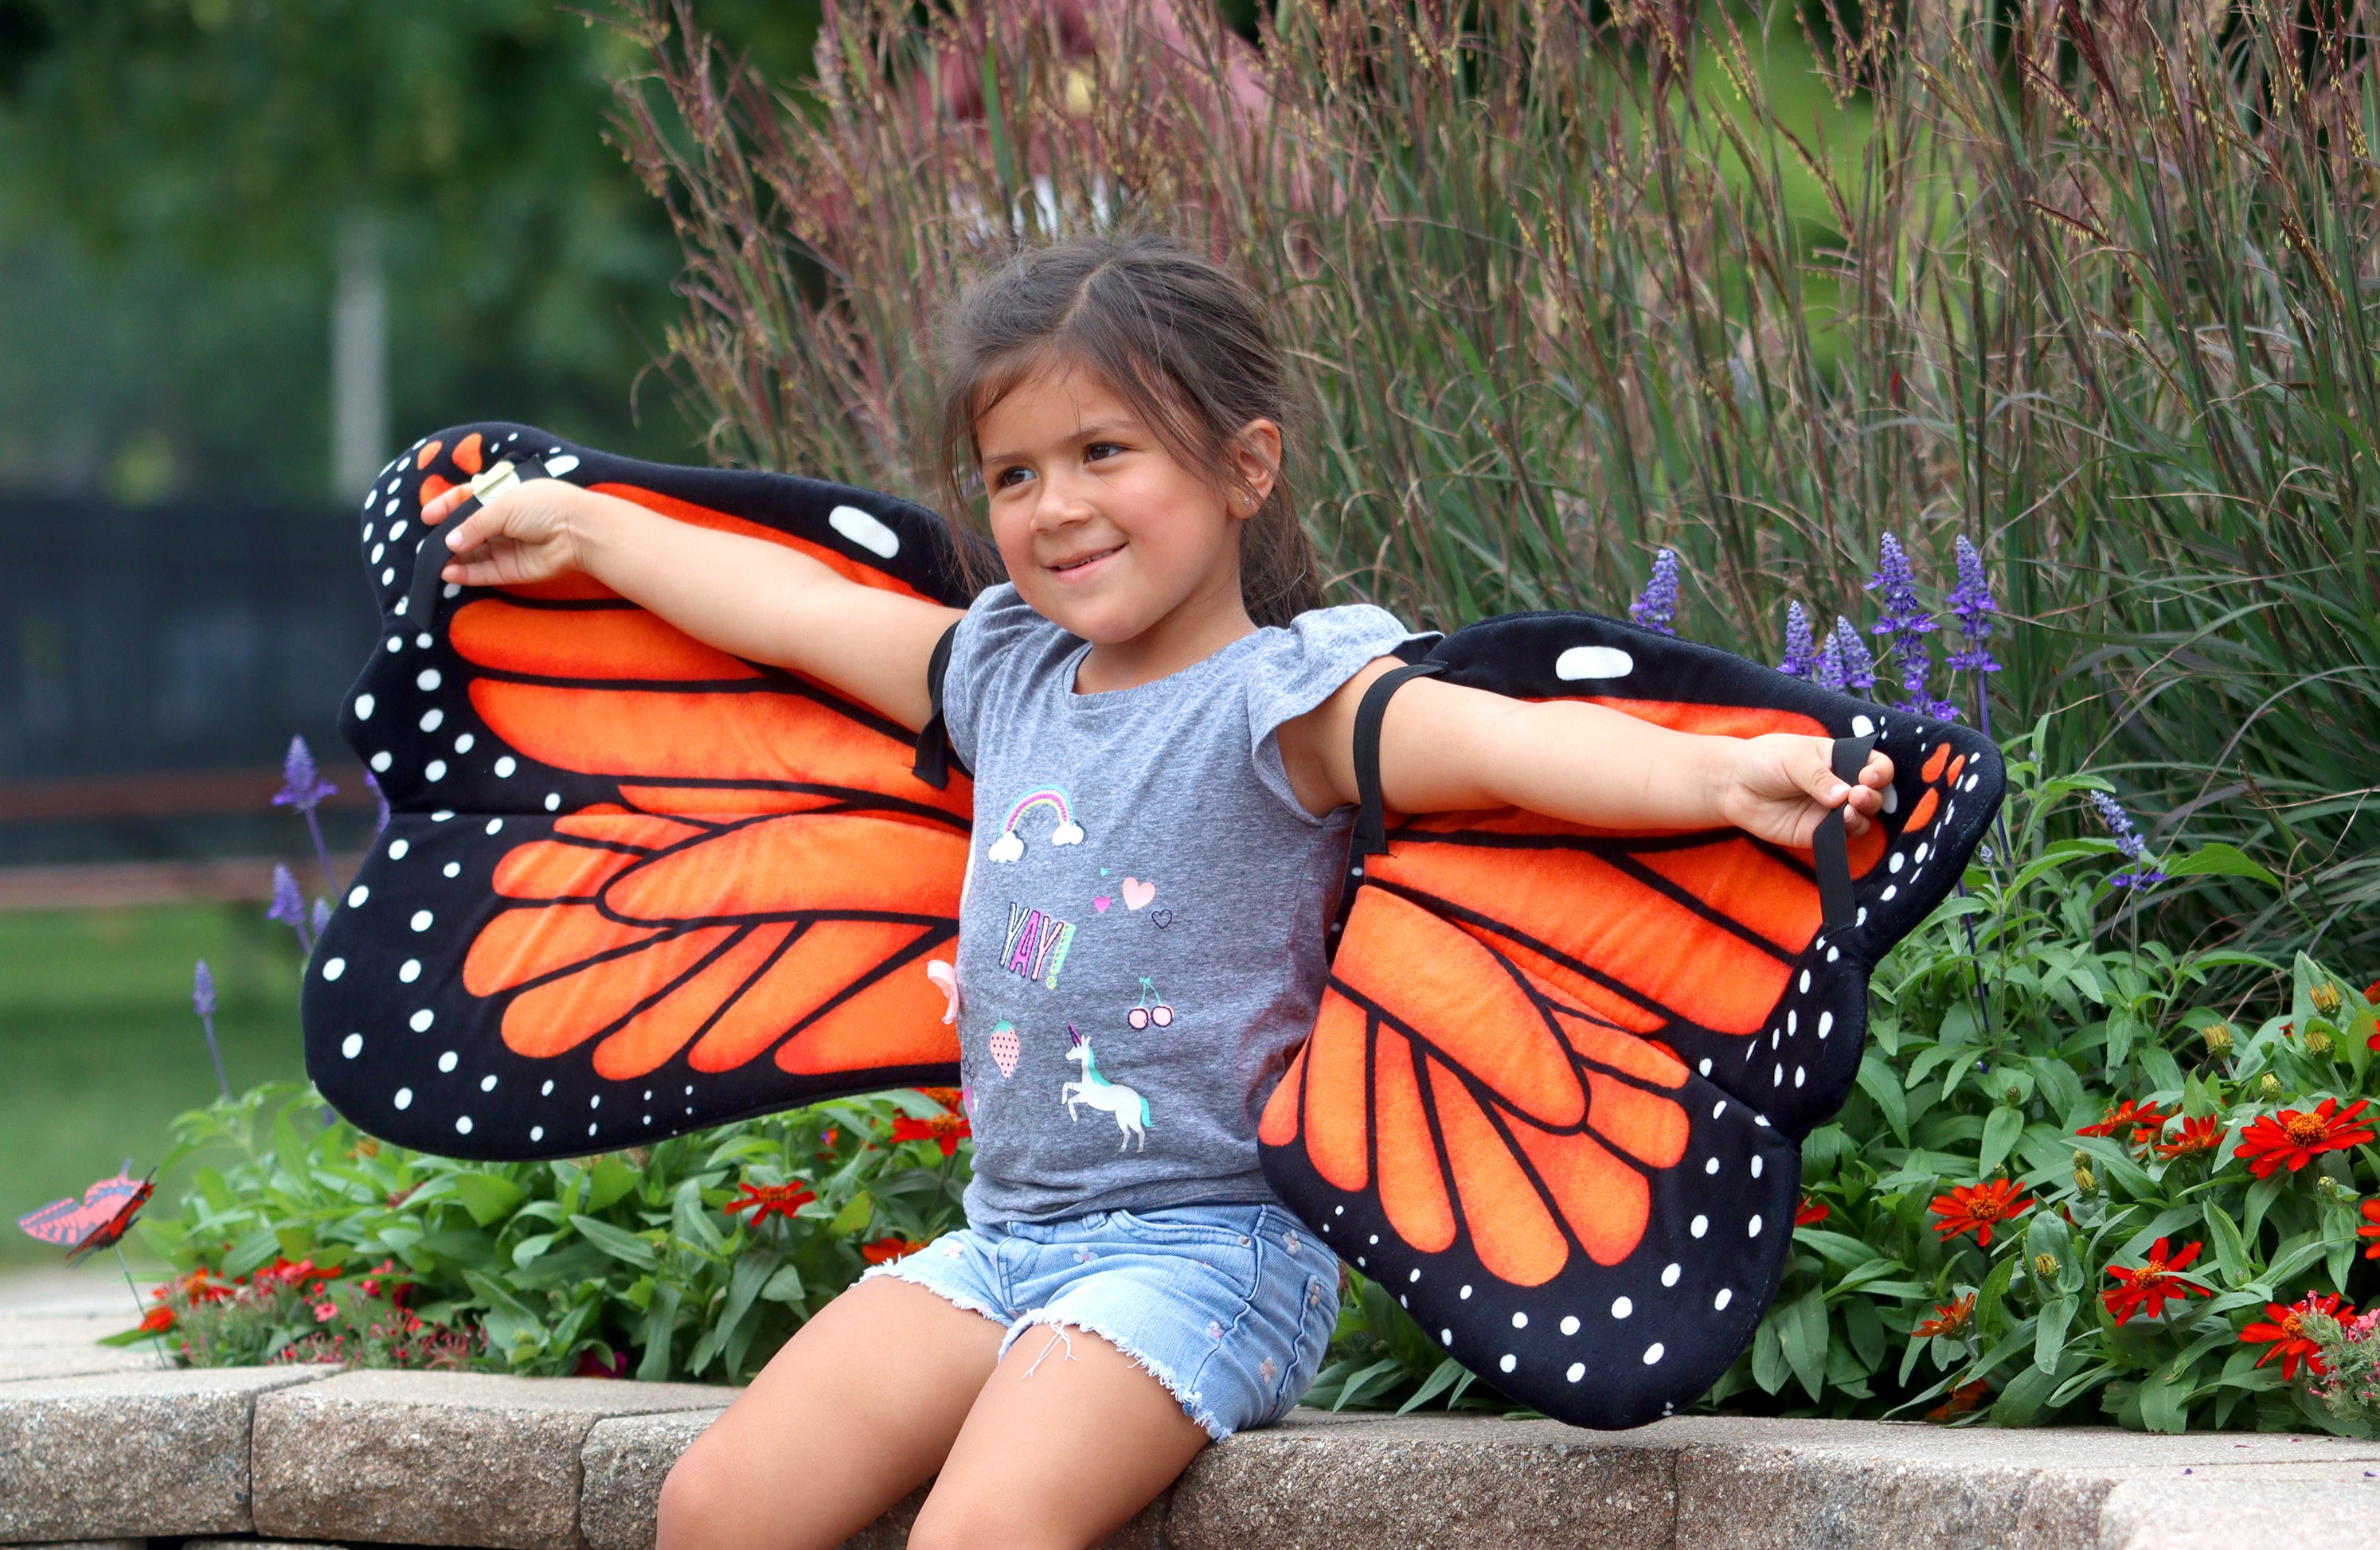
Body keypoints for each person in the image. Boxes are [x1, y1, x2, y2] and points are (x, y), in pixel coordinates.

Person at [428, 232, 1890, 1550]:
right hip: (1003, 1241)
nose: (1057, 507)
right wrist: (594, 526)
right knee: (716, 1506)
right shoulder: (1004, 674)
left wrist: (1717, 780)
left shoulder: (1286, 701)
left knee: (979, 1538)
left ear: (1244, 467)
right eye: (1014, 475)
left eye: (1106, 452)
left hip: (1211, 1254)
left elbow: (1502, 741)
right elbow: (802, 614)